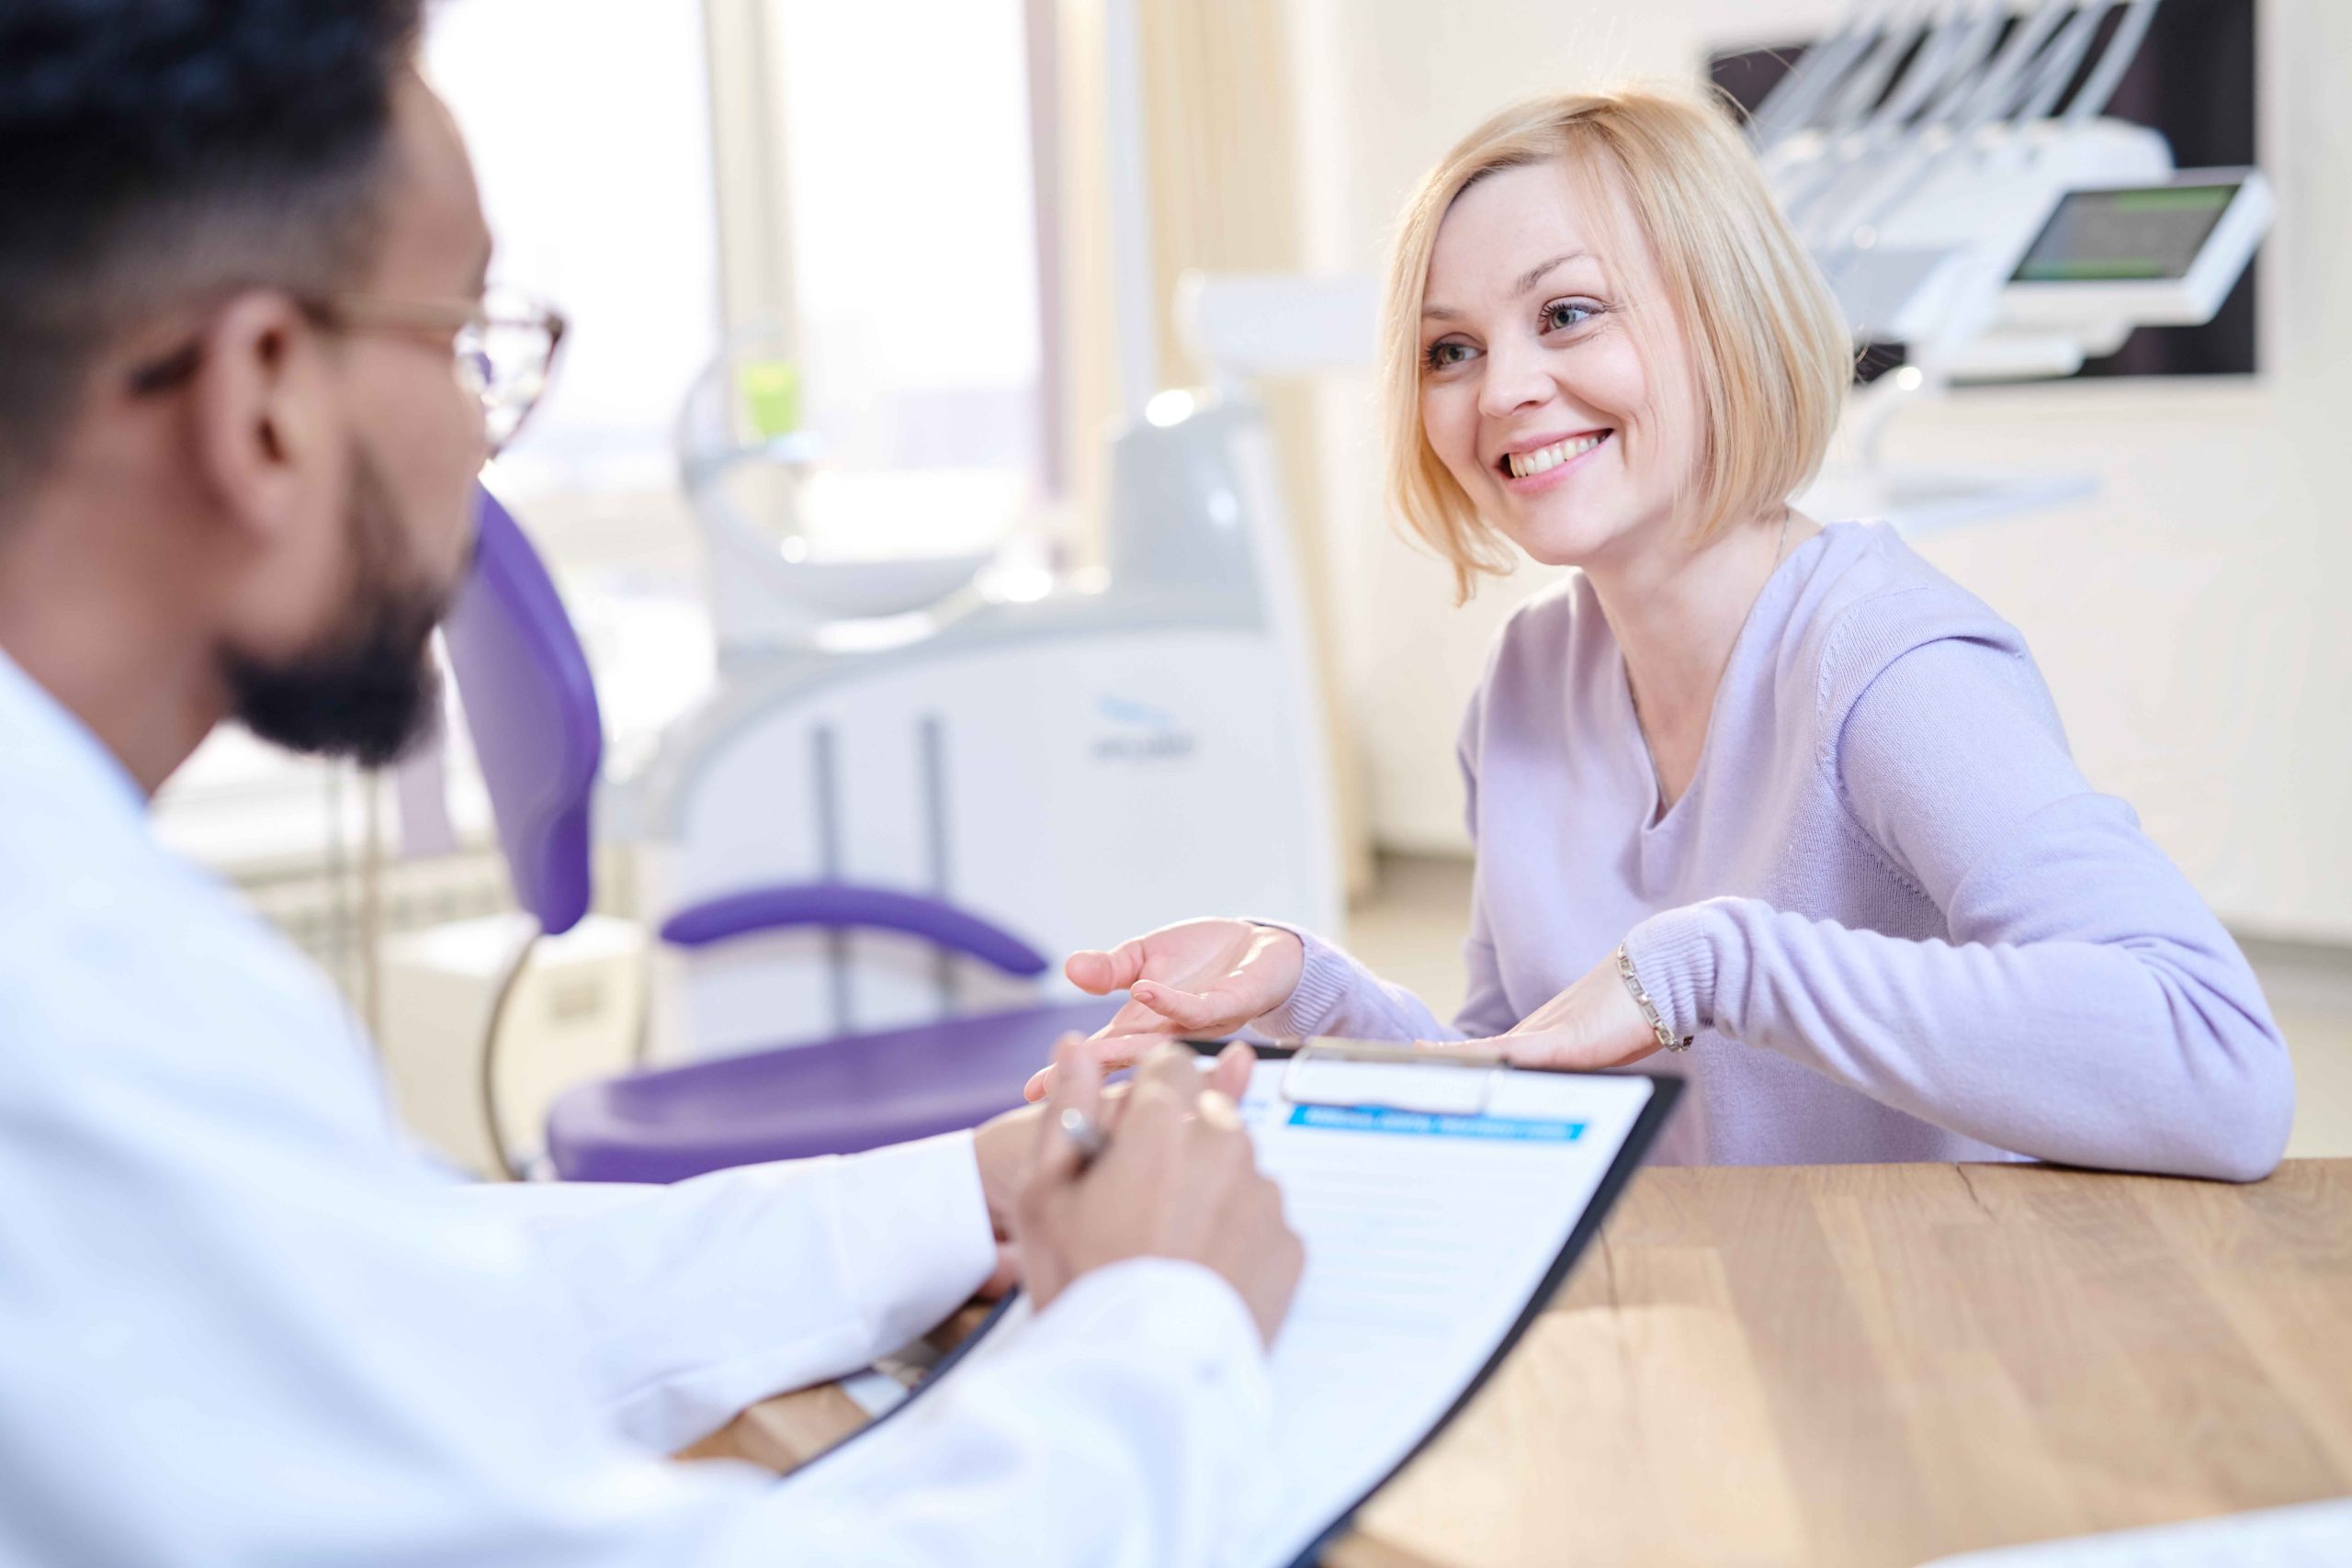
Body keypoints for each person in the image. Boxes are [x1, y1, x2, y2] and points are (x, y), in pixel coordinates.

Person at [0, 6, 1301, 1564]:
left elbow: (407, 1281)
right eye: (466, 342)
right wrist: (1164, 1326)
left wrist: (970, 1192)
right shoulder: (71, 1000)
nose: (485, 430)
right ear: (263, 391)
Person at [1039, 86, 2296, 1182]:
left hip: (1913, 1339)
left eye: (1569, 314)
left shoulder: (1889, 667)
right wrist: (1303, 991)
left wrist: (1718, 964)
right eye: (1451, 349)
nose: (1504, 388)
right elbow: (1522, 1073)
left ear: (1724, 319)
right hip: (1684, 1339)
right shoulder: (1530, 683)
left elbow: (2219, 1067)